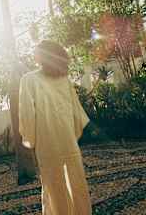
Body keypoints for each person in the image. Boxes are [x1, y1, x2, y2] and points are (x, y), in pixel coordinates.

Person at [19, 40, 92, 215]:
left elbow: (27, 113)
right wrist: (72, 134)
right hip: (68, 140)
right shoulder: (63, 79)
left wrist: (30, 139)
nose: (34, 53)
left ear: (43, 55)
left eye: (36, 50)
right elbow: (76, 112)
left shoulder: (28, 80)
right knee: (77, 184)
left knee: (53, 187)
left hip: (47, 143)